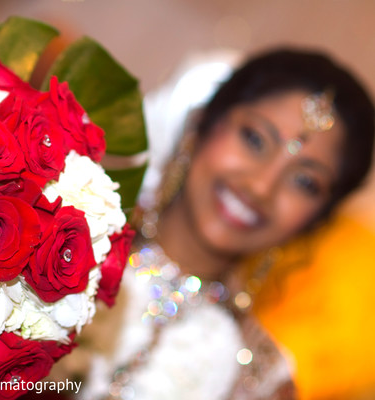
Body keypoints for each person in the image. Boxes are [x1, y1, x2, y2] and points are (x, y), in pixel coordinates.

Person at [77, 47, 375, 400]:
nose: (261, 186)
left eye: (305, 182)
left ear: (317, 221)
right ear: (201, 123)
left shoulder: (259, 381)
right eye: (254, 139)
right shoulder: (66, 238)